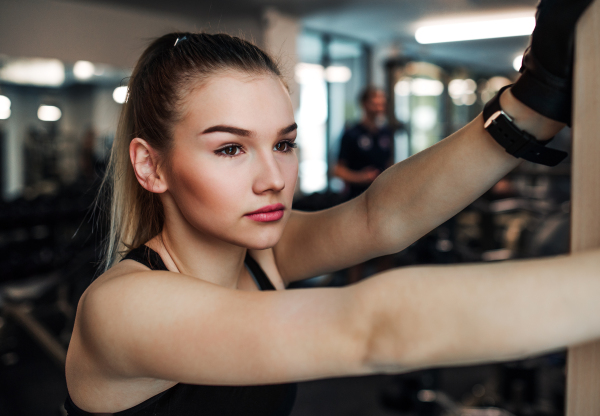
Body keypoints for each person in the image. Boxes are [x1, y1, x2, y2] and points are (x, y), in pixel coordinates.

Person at [65, 1, 598, 414]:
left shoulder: (262, 257)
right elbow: (372, 329)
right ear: (150, 166)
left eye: (283, 144)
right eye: (230, 148)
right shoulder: (122, 310)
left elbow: (380, 218)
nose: (273, 179)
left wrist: (529, 106)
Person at [334, 87, 394, 201]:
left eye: (382, 103)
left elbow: (389, 163)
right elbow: (338, 170)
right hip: (356, 197)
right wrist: (361, 177)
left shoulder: (386, 133)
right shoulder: (351, 134)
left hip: (381, 196)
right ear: (364, 104)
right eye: (375, 103)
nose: (379, 107)